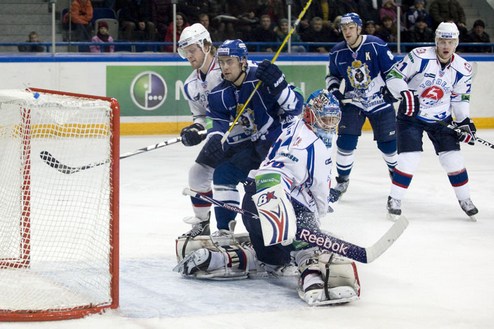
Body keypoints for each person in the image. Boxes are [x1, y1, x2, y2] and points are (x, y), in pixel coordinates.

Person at [174, 90, 361, 306]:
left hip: (253, 197)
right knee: (307, 249)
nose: (329, 126)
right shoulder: (316, 146)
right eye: (325, 119)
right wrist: (314, 226)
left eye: (333, 120)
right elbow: (321, 191)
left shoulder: (292, 127)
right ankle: (312, 277)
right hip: (278, 204)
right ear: (310, 116)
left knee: (273, 261)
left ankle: (222, 259)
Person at [206, 39, 304, 243]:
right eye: (221, 62)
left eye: (229, 61)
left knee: (261, 189)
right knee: (223, 173)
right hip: (254, 147)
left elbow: (295, 106)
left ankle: (297, 224)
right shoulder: (219, 93)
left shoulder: (262, 77)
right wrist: (215, 139)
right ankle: (225, 230)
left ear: (242, 61)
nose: (224, 67)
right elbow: (218, 126)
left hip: (279, 146)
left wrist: (279, 85)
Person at [385, 22, 479, 220]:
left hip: (441, 119)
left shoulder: (463, 68)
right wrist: (404, 92)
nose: (446, 46)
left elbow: (460, 98)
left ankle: (465, 199)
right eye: (442, 41)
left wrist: (464, 123)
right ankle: (395, 198)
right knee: (409, 158)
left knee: (453, 159)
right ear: (436, 41)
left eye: (451, 42)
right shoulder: (419, 56)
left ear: (456, 43)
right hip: (411, 115)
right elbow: (393, 76)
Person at [325, 12, 397, 202]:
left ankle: (396, 178)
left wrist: (393, 90)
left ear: (358, 28)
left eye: (350, 28)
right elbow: (332, 76)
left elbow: (393, 72)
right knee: (345, 142)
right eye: (343, 28)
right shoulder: (337, 52)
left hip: (380, 102)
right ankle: (342, 181)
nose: (347, 32)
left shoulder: (376, 45)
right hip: (354, 102)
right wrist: (334, 91)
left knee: (388, 146)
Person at [177, 23, 223, 238]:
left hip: (247, 135)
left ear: (206, 45)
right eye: (185, 52)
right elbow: (201, 117)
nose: (189, 56)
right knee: (197, 173)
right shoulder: (190, 84)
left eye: (192, 50)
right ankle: (202, 224)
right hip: (220, 138)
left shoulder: (226, 68)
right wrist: (195, 130)